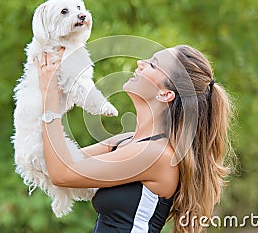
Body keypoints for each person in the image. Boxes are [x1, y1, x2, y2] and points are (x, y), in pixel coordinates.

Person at [37, 45, 235, 233]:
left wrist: (50, 96)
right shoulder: (127, 142)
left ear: (165, 94)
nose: (140, 62)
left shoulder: (156, 155)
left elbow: (62, 173)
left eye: (152, 64)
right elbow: (54, 164)